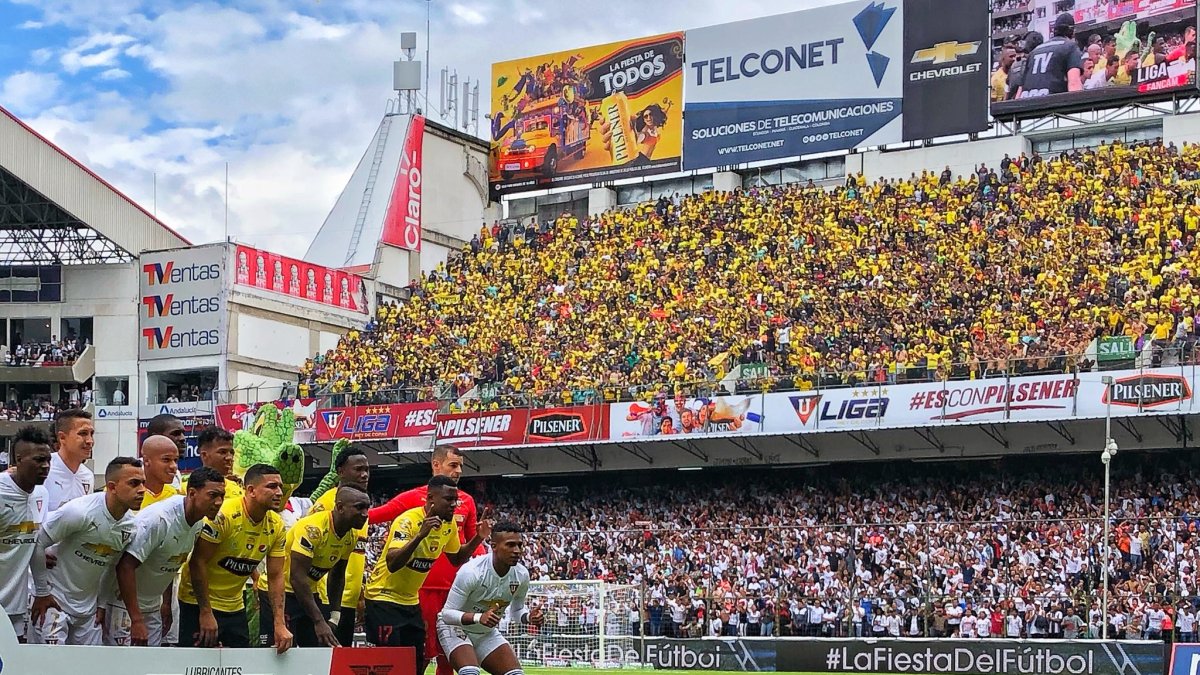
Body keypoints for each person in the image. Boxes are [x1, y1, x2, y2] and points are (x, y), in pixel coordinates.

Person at [370, 445, 486, 675]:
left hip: (451, 589)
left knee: (448, 650)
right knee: (412, 657)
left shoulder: (465, 502)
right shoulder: (413, 501)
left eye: (461, 466)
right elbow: (375, 515)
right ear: (436, 464)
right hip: (416, 591)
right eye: (453, 465)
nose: (459, 471)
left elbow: (468, 546)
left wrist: (483, 561)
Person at [30, 457, 145, 645]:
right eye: (134, 483)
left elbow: (111, 567)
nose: (141, 490)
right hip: (53, 602)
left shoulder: (130, 527)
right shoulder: (79, 512)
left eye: (143, 483)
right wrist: (42, 592)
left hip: (88, 611)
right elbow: (37, 543)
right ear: (112, 487)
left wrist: (101, 604)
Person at [178, 463, 292, 652]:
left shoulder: (277, 525)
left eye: (280, 486)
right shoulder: (224, 516)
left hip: (234, 606)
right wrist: (205, 612)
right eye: (272, 486)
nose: (279, 492)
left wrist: (279, 624)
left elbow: (275, 576)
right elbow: (198, 562)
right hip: (197, 603)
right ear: (251, 490)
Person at [110, 466, 225, 646]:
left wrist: (166, 604)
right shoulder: (159, 519)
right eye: (213, 495)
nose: (218, 502)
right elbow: (125, 566)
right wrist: (136, 619)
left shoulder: (198, 523)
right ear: (193, 493)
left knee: (152, 668)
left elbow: (170, 560)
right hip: (123, 607)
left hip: (152, 607)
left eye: (222, 496)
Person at [437, 522, 544, 675]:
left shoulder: (522, 575)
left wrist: (529, 617)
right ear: (494, 546)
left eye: (520, 545)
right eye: (510, 545)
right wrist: (479, 617)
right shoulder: (471, 571)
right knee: (470, 672)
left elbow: (517, 611)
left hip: (485, 633)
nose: (517, 551)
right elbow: (447, 614)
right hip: (455, 628)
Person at [275, 487, 370, 647]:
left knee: (316, 651)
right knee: (284, 652)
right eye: (359, 507)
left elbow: (338, 575)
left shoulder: (351, 535)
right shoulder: (313, 529)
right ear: (340, 508)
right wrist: (319, 621)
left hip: (309, 593)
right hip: (284, 593)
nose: (365, 514)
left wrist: (335, 615)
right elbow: (297, 578)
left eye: (367, 507)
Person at [309, 445, 371, 646]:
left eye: (367, 470)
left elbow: (356, 554)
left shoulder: (361, 507)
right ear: (341, 472)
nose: (364, 475)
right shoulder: (327, 503)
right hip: (328, 600)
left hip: (349, 600)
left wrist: (359, 594)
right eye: (358, 469)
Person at [0, 426, 52, 640]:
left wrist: (42, 591)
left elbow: (34, 545)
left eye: (48, 459)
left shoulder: (41, 493)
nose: (46, 466)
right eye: (39, 460)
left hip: (15, 607)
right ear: (19, 458)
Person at [1016, 13, 1084, 98]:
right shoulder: (1070, 47)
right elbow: (1074, 84)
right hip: (1052, 104)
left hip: (1028, 105)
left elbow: (1020, 90)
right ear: (1072, 31)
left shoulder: (1034, 51)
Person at [46, 409, 94, 512]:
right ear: (62, 437)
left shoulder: (88, 475)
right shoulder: (43, 470)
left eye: (91, 434)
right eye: (83, 433)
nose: (90, 441)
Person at [196, 426, 242, 501]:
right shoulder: (186, 489)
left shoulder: (239, 488)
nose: (229, 457)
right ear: (204, 455)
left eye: (231, 452)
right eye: (223, 452)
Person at [137, 435, 180, 510]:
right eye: (166, 460)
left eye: (175, 460)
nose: (174, 466)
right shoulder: (131, 495)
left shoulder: (173, 496)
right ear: (146, 461)